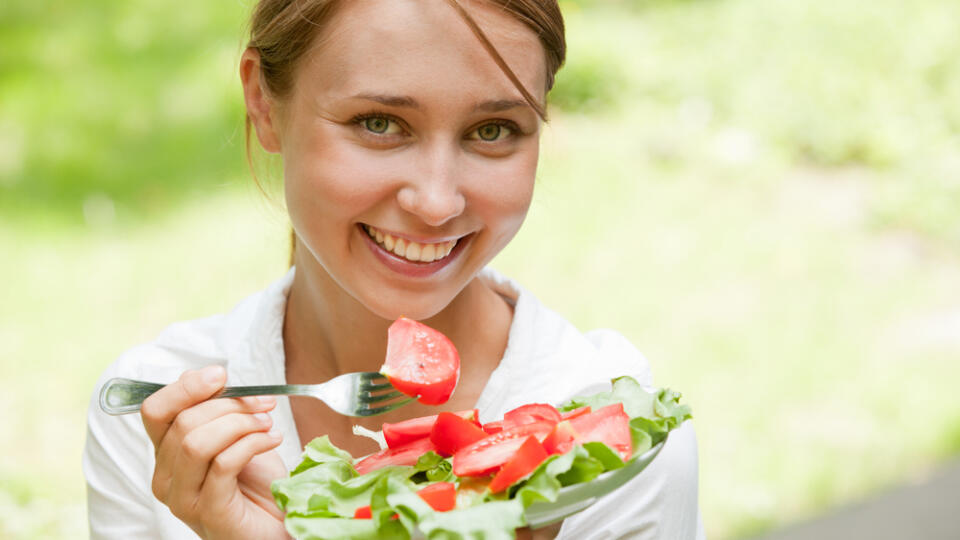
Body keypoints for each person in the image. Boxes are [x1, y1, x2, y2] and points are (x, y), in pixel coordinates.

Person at [82, 0, 704, 538]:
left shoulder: (607, 449)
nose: (437, 202)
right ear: (264, 103)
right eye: (378, 124)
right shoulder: (166, 425)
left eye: (492, 129)